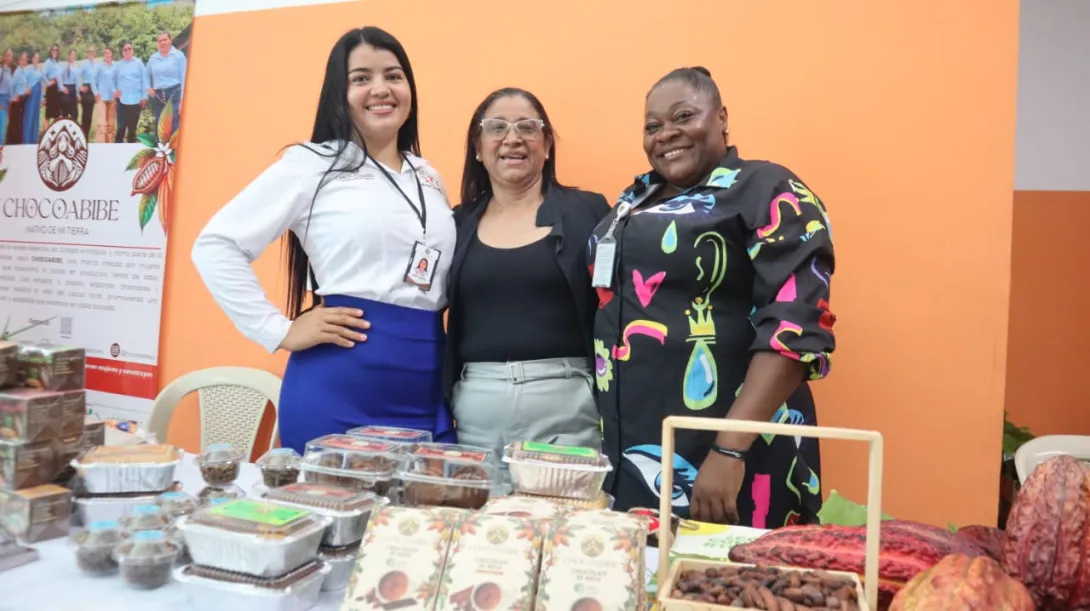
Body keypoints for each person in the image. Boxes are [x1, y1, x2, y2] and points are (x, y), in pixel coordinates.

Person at [589, 67, 836, 526]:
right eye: (652, 126)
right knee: (650, 569)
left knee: (735, 568)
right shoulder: (634, 199)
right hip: (637, 458)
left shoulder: (767, 189)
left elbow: (795, 328)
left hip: (732, 457)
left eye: (683, 116)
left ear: (722, 118)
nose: (666, 133)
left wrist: (729, 449)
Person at [192, 27, 456, 452]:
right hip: (340, 386)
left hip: (425, 384)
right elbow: (215, 245)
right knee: (332, 496)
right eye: (361, 78)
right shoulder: (311, 164)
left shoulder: (428, 176)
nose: (381, 89)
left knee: (425, 498)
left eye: (393, 76)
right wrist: (277, 330)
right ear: (339, 92)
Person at [445, 88, 610, 456]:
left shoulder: (588, 212)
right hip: (476, 410)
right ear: (478, 147)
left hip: (566, 406)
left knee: (565, 498)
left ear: (547, 144)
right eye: (497, 127)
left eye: (527, 127)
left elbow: (619, 304)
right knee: (480, 498)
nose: (512, 138)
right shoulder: (457, 224)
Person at [146, 31, 186, 130]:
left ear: (170, 40)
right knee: (159, 125)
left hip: (175, 93)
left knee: (174, 123)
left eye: (165, 40)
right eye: (160, 41)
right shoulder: (153, 58)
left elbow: (184, 77)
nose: (162, 43)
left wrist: (182, 100)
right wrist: (148, 88)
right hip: (158, 96)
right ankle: (159, 141)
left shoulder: (179, 55)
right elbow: (145, 76)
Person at [113, 42, 147, 143]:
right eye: (125, 49)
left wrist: (144, 96)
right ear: (122, 52)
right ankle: (117, 150)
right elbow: (112, 80)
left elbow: (145, 80)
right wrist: (115, 91)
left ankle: (131, 151)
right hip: (122, 101)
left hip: (136, 100)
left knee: (132, 130)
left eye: (129, 49)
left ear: (132, 50)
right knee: (120, 128)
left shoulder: (139, 63)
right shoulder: (118, 65)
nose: (127, 51)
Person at [93, 47, 117, 143]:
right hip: (101, 99)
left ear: (111, 54)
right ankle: (100, 145)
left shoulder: (116, 66)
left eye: (109, 53)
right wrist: (96, 93)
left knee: (111, 125)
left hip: (112, 99)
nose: (107, 55)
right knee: (102, 124)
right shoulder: (99, 67)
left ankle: (109, 145)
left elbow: (118, 81)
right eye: (105, 53)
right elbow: (93, 80)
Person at [20, 53, 44, 144]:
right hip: (31, 95)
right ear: (32, 58)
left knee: (36, 116)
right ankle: (26, 140)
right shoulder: (28, 69)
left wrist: (42, 98)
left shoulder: (39, 70)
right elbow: (23, 80)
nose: (37, 59)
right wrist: (26, 89)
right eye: (36, 58)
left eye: (38, 58)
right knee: (29, 116)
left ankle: (34, 140)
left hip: (38, 95)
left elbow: (41, 83)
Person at [78, 46, 98, 139]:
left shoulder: (96, 65)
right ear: (87, 53)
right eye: (89, 51)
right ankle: (83, 135)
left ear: (95, 53)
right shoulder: (84, 64)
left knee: (90, 115)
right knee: (85, 114)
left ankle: (86, 136)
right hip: (86, 89)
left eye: (92, 51)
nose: (91, 52)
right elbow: (77, 76)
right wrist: (80, 87)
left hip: (93, 90)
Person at [0, 49, 13, 145]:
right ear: (4, 57)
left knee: (3, 129)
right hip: (1, 101)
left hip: (7, 103)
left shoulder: (9, 71)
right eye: (7, 55)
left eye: (11, 55)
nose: (9, 57)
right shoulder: (1, 71)